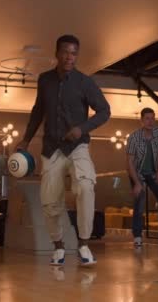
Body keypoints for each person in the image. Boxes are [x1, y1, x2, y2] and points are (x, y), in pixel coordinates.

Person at [17, 34, 110, 266]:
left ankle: (84, 244)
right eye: (66, 52)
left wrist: (82, 128)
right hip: (52, 148)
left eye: (74, 53)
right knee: (49, 201)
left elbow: (104, 111)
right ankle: (58, 247)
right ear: (57, 54)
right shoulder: (45, 80)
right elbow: (38, 111)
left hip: (78, 147)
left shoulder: (85, 82)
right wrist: (25, 140)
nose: (70, 57)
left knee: (86, 186)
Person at [126, 107, 158, 247]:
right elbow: (129, 162)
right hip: (137, 172)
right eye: (147, 118)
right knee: (139, 203)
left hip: (153, 172)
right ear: (141, 121)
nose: (150, 121)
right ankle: (138, 236)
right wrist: (137, 183)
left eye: (152, 118)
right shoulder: (133, 137)